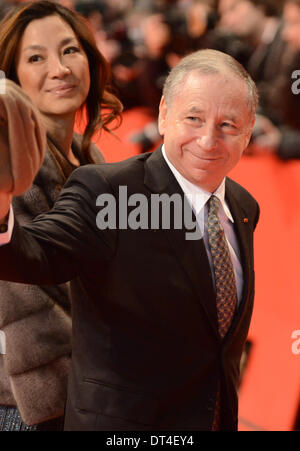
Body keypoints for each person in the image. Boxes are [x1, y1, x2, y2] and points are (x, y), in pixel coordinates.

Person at [0, 48, 259, 431]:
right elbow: (35, 254)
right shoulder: (110, 190)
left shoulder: (243, 205)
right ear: (164, 116)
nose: (208, 140)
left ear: (249, 131)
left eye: (228, 125)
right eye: (194, 118)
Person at [0, 0, 122, 431]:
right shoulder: (12, 165)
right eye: (36, 57)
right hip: (34, 407)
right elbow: (28, 306)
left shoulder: (91, 157)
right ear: (13, 78)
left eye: (69, 50)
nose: (60, 68)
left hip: (85, 393)